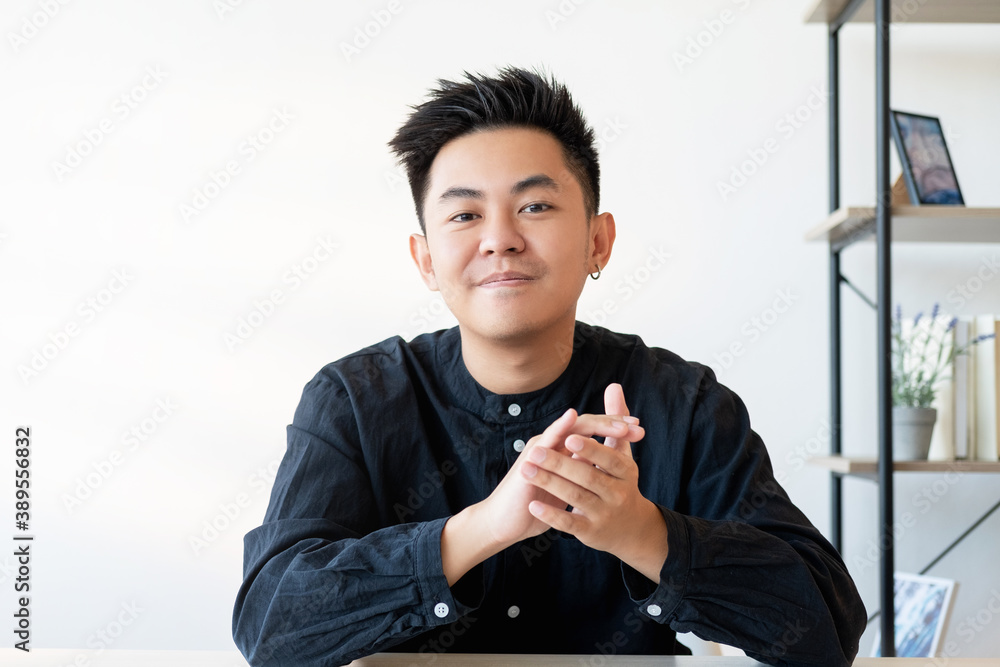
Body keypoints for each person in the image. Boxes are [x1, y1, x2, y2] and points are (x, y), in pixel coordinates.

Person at [232, 66, 866, 667]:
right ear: (425, 260)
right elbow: (270, 628)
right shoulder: (354, 400)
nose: (500, 238)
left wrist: (639, 530)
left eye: (534, 206)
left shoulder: (684, 402)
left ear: (598, 240)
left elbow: (828, 628)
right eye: (464, 215)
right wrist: (480, 528)